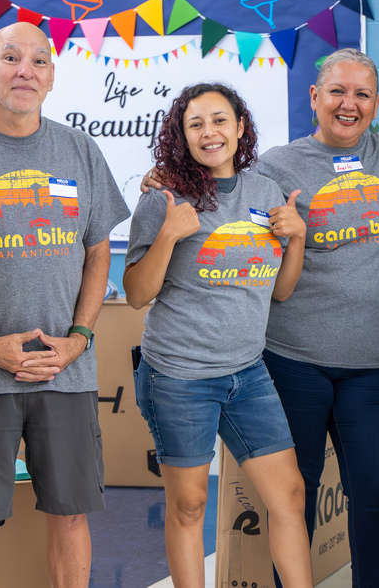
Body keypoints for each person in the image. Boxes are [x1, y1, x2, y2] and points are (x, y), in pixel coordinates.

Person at [143, 49, 379, 586]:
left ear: (378, 103)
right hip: (269, 361)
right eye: (336, 91)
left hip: (337, 362)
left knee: (356, 491)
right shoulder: (270, 169)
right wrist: (165, 194)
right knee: (259, 494)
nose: (348, 103)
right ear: (314, 98)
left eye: (361, 94)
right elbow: (141, 288)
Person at [0, 22, 129, 588]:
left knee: (71, 514)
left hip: (62, 372)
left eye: (38, 61)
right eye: (10, 57)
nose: (25, 70)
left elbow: (98, 252)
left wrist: (79, 338)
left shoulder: (78, 149)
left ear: (51, 77)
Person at [125, 82, 312, 588]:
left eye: (220, 120)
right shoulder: (163, 199)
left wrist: (295, 238)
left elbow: (281, 292)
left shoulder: (266, 193)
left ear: (240, 127)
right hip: (179, 377)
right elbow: (138, 293)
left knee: (289, 497)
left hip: (248, 373)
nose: (210, 132)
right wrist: (167, 233)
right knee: (189, 506)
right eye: (196, 124)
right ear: (181, 136)